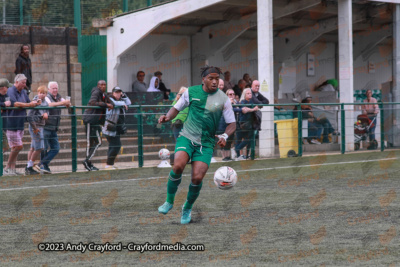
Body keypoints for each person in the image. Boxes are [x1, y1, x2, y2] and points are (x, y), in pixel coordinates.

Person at [157, 66, 236, 224]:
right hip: (187, 137)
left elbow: (232, 123)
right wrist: (167, 117)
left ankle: (187, 208)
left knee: (197, 178)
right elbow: (176, 108)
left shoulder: (223, 99)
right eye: (211, 78)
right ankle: (169, 201)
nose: (214, 81)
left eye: (217, 79)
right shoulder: (191, 92)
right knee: (178, 166)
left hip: (206, 144)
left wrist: (224, 136)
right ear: (203, 79)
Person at [5, 74, 40, 176]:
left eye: (25, 83)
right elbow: (15, 103)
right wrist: (30, 105)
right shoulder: (11, 90)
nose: (25, 85)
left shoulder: (24, 92)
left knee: (15, 147)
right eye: (23, 83)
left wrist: (36, 102)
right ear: (16, 82)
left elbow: (29, 102)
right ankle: (7, 167)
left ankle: (11, 168)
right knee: (18, 146)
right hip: (11, 123)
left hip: (20, 123)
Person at [39, 81, 71, 174]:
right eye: (53, 88)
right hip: (46, 126)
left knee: (56, 148)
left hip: (54, 127)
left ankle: (42, 164)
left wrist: (67, 103)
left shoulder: (59, 97)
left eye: (56, 88)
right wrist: (63, 103)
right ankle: (43, 166)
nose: (55, 90)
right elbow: (49, 105)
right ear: (49, 89)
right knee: (44, 148)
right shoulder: (47, 97)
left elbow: (68, 104)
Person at [82, 80, 114, 171]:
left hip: (96, 121)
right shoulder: (96, 92)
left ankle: (88, 161)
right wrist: (106, 104)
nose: (103, 86)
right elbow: (93, 102)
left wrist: (111, 101)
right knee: (91, 142)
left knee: (97, 142)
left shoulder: (104, 95)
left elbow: (112, 103)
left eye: (104, 85)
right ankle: (87, 162)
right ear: (98, 85)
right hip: (90, 120)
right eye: (101, 85)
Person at [102, 87, 131, 170]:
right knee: (116, 145)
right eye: (116, 92)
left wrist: (124, 95)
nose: (118, 94)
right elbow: (114, 103)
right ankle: (108, 164)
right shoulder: (109, 98)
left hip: (117, 127)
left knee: (113, 145)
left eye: (119, 92)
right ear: (113, 93)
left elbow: (129, 102)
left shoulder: (121, 100)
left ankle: (110, 164)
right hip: (110, 126)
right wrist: (123, 103)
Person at [25, 86, 49, 175]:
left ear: (46, 94)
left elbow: (47, 111)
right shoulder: (35, 102)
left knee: (33, 147)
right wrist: (34, 128)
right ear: (37, 93)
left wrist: (46, 113)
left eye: (44, 93)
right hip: (36, 127)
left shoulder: (45, 102)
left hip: (41, 126)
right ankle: (29, 166)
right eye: (40, 93)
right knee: (39, 148)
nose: (42, 95)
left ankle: (28, 167)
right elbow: (30, 116)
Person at [235, 88, 259, 160]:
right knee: (247, 139)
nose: (249, 94)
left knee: (250, 139)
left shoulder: (252, 101)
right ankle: (237, 149)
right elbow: (244, 110)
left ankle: (248, 155)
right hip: (244, 123)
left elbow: (257, 106)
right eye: (248, 93)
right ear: (244, 94)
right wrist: (253, 109)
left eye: (250, 93)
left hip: (251, 122)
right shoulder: (242, 101)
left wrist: (254, 108)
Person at [218, 89, 240, 161]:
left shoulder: (236, 102)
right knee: (223, 139)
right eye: (230, 94)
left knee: (230, 140)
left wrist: (236, 105)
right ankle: (224, 157)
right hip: (224, 124)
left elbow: (239, 109)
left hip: (232, 124)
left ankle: (228, 156)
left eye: (233, 94)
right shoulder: (224, 101)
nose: (232, 96)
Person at [0, 79, 12, 154]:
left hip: (5, 123)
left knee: (4, 147)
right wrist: (4, 104)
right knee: (4, 145)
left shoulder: (6, 95)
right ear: (3, 87)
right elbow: (4, 104)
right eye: (7, 87)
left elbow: (10, 103)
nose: (8, 89)